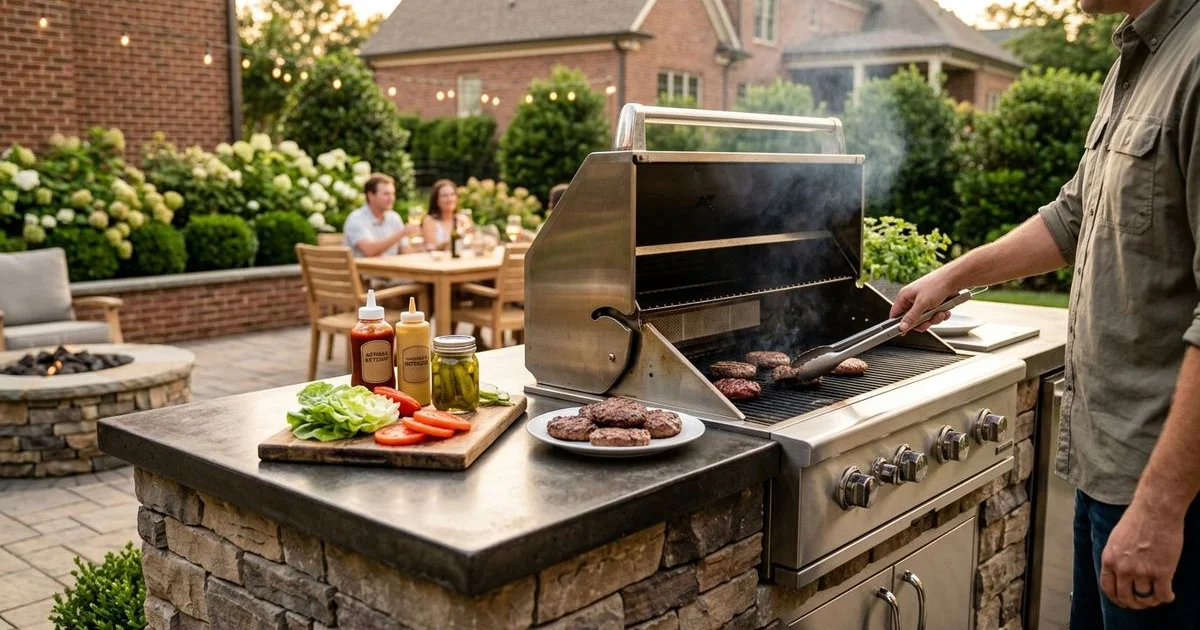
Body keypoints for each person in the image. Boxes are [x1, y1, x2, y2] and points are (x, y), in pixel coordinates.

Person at [891, 0, 1199, 626]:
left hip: (1164, 487)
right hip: (1105, 463)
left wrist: (1161, 508)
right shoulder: (1137, 59)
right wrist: (952, 274)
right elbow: (1074, 215)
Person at [342, 173, 411, 257]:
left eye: (393, 194)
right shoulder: (356, 218)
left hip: (392, 268)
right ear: (371, 195)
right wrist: (402, 233)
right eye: (386, 194)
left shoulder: (394, 217)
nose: (391, 198)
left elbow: (405, 251)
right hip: (365, 269)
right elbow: (370, 250)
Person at [422, 179, 474, 251]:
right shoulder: (430, 220)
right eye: (444, 196)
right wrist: (460, 236)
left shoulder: (463, 220)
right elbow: (432, 247)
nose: (450, 199)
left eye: (452, 194)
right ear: (436, 200)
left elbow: (471, 244)